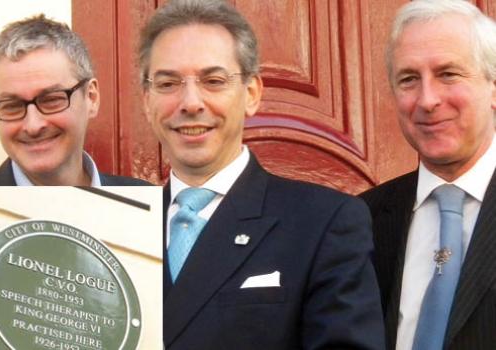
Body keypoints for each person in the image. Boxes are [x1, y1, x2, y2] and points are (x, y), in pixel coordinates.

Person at [141, 0, 385, 349]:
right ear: (146, 99)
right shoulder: (120, 227)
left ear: (252, 94)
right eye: (167, 83)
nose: (190, 102)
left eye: (213, 80)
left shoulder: (323, 222)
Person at [360, 1, 496, 349]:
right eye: (408, 79)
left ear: (493, 86)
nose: (427, 100)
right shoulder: (361, 219)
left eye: (448, 74)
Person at [0, 15, 151, 185]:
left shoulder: (154, 207)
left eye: (51, 100)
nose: (33, 126)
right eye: (12, 106)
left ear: (91, 97)